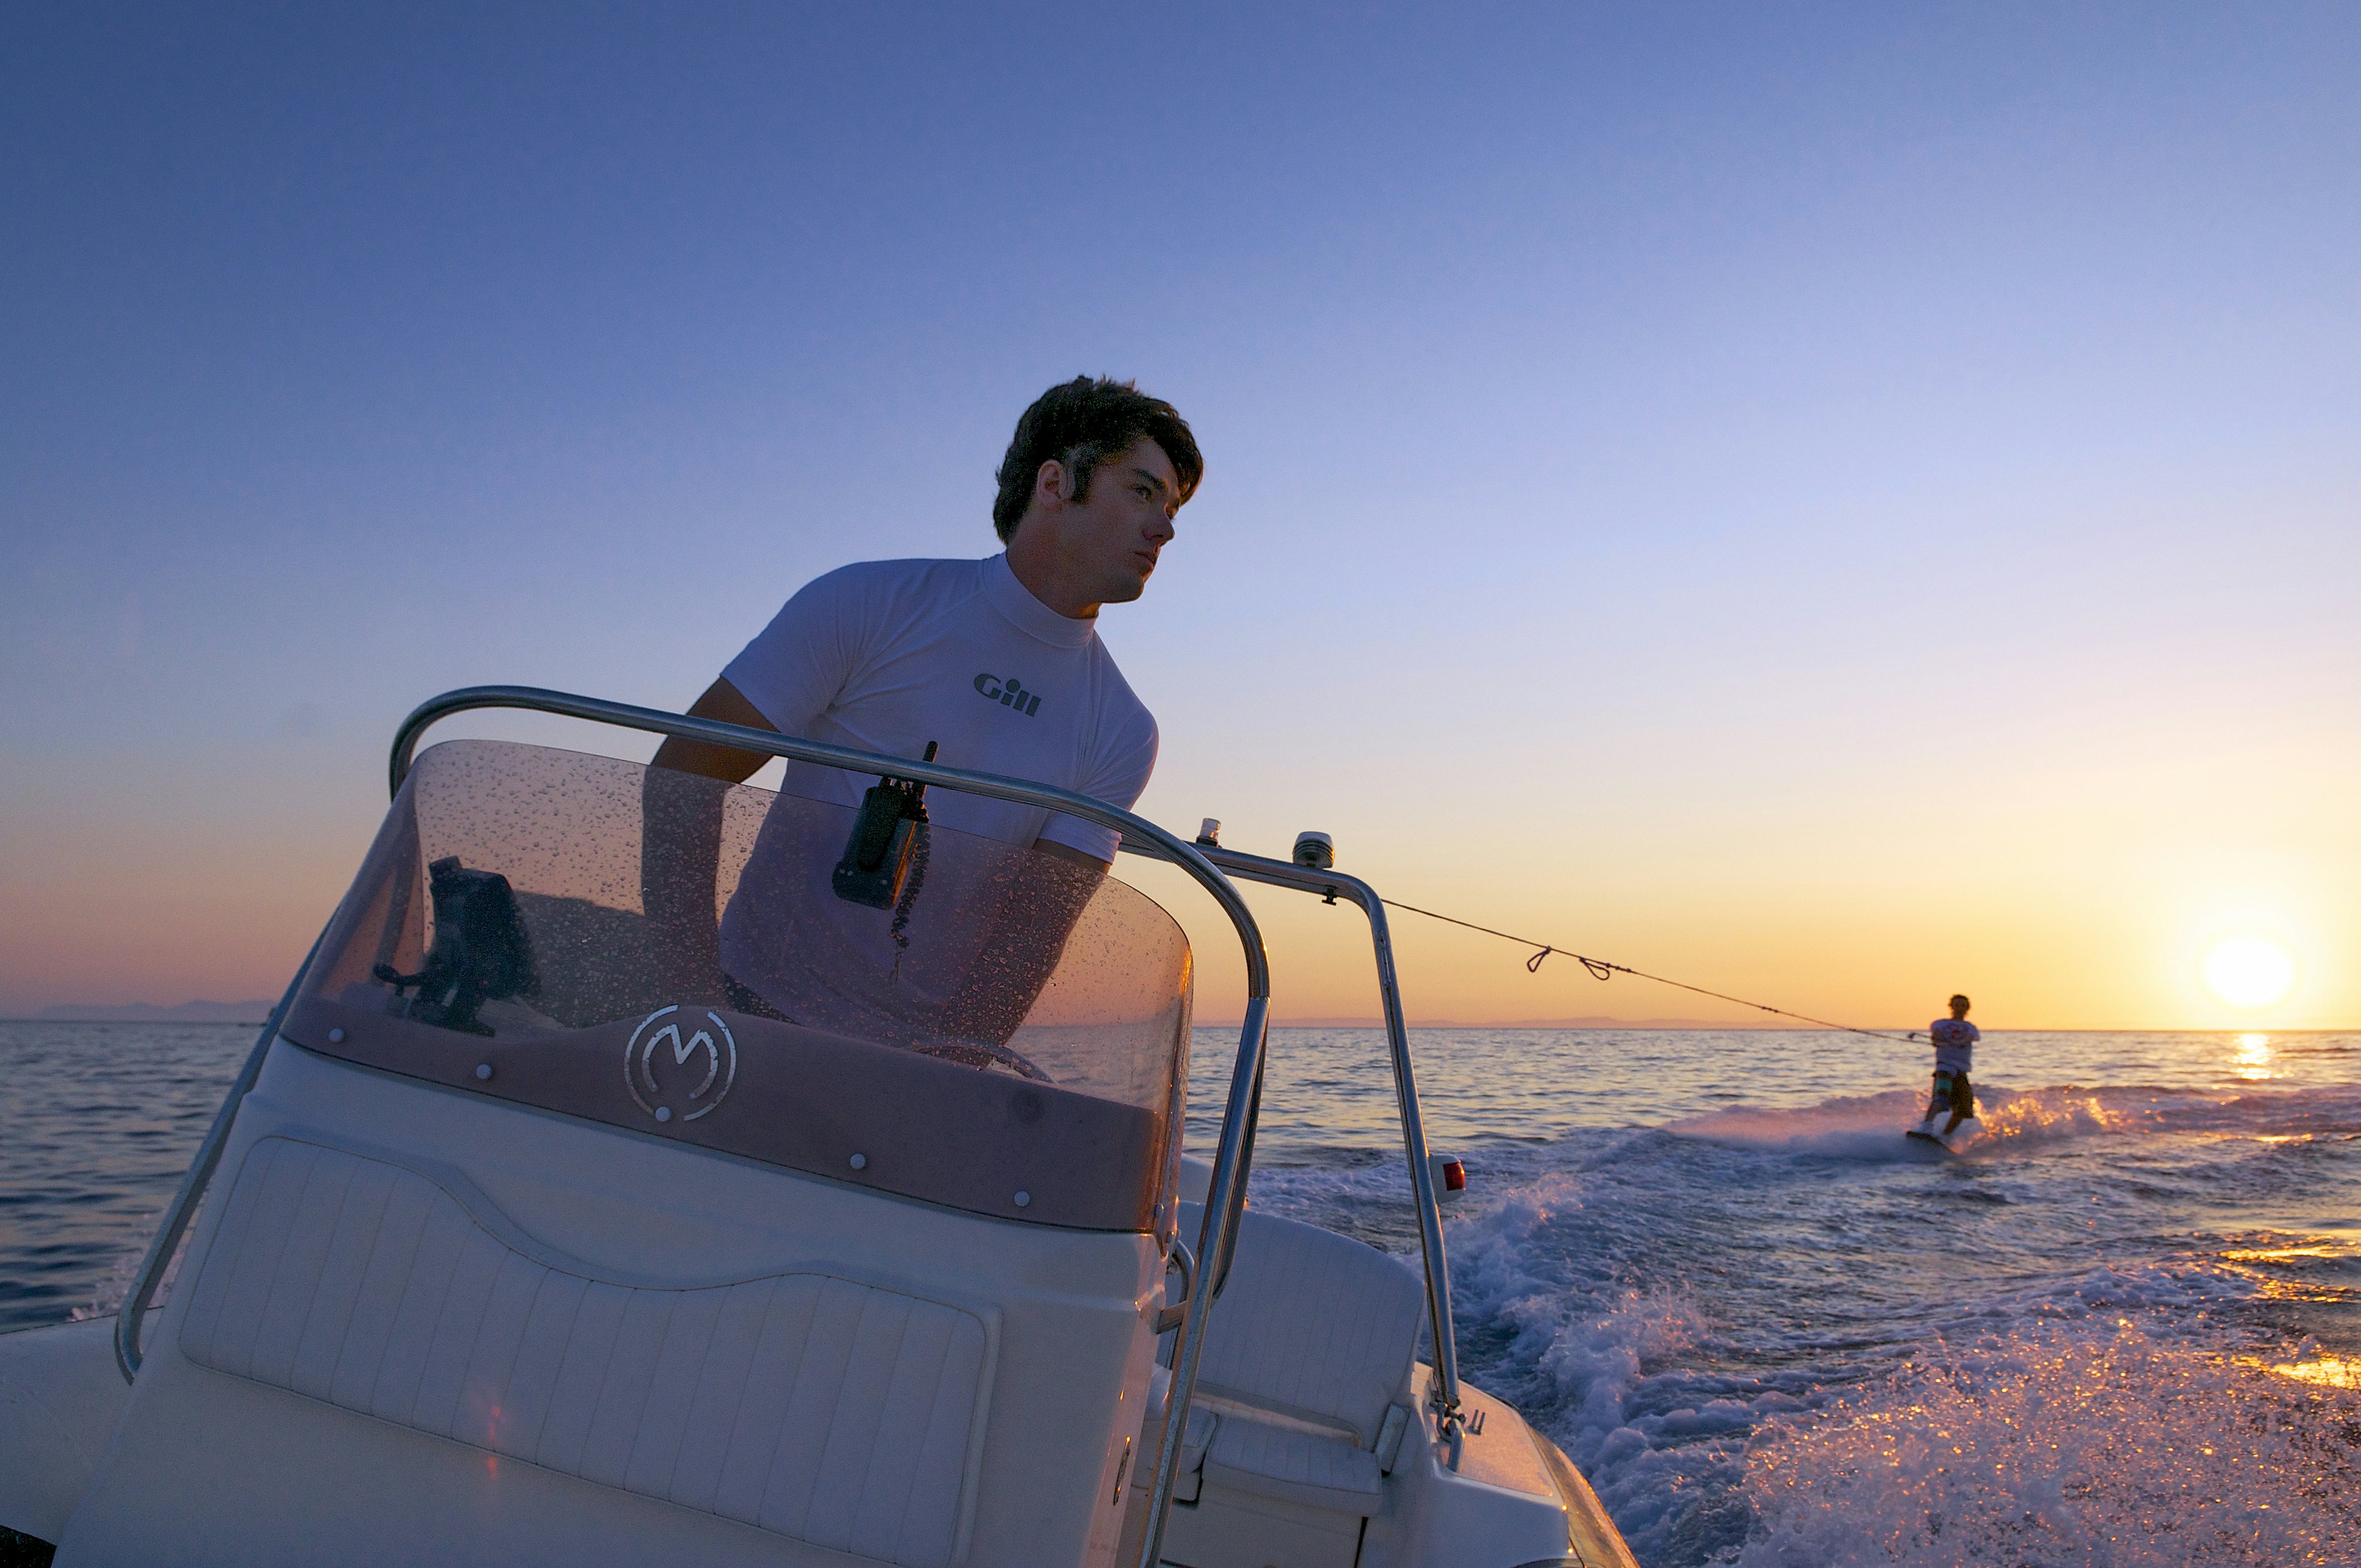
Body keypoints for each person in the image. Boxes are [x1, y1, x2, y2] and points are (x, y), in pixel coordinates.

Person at [639, 376, 1202, 1043]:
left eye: (1171, 507)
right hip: (741, 1010)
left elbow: (1028, 941)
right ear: (1054, 483)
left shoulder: (1123, 730)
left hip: (914, 1061)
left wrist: (943, 1073)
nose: (1165, 528)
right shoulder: (867, 602)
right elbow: (683, 774)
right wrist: (694, 1007)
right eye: (1141, 491)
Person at [1924, 993, 1980, 1132]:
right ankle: (1926, 1127)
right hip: (1945, 1067)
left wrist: (1959, 1043)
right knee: (1941, 1098)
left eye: (1963, 1006)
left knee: (1964, 1109)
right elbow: (1936, 1035)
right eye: (1957, 1005)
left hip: (1961, 1070)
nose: (1960, 1008)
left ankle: (1945, 1136)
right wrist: (1938, 1040)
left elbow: (1968, 1038)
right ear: (1951, 1007)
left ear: (1967, 1008)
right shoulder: (1940, 1024)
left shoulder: (1970, 1027)